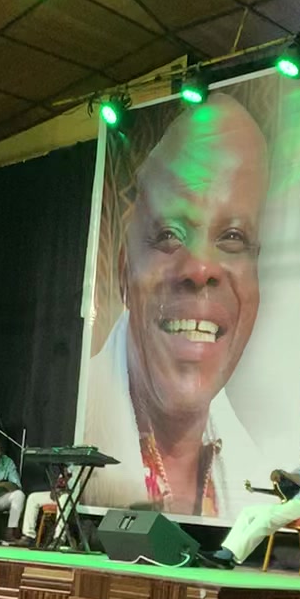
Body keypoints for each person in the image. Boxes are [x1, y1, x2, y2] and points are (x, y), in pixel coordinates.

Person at [83, 93, 270, 514]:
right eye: (169, 234)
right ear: (123, 270)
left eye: (234, 237)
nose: (200, 268)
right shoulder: (83, 426)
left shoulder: (258, 475)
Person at [205, 424, 300, 569]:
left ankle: (228, 556)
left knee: (267, 517)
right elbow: (296, 474)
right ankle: (226, 553)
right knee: (249, 512)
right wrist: (280, 473)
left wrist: (287, 475)